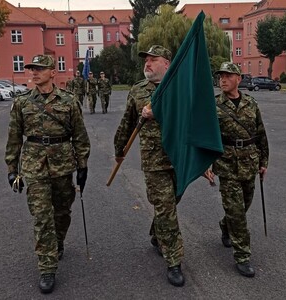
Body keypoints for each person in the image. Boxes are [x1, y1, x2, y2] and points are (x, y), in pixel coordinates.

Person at [5, 54, 91, 294]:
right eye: (32, 69)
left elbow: (80, 136)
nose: (34, 72)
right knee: (42, 217)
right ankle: (47, 268)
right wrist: (12, 169)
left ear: (53, 72)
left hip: (63, 165)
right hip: (34, 166)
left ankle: (58, 241)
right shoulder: (22, 103)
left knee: (62, 212)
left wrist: (82, 166)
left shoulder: (69, 101)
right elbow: (13, 138)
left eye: (40, 69)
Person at [113, 45, 185, 287]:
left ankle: (157, 234)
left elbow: (189, 119)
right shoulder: (138, 90)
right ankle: (174, 261)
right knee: (166, 208)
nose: (148, 64)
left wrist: (160, 113)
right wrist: (119, 149)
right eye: (146, 60)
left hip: (179, 158)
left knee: (171, 203)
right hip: (154, 161)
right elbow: (127, 122)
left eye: (153, 60)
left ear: (167, 63)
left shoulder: (180, 87)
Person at [205, 62, 269, 278]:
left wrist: (264, 162)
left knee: (245, 205)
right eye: (220, 76)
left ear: (238, 79)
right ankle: (242, 256)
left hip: (249, 162)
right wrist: (206, 164)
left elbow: (260, 134)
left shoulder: (251, 103)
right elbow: (205, 137)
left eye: (227, 76)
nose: (222, 80)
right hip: (227, 165)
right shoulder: (213, 105)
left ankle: (226, 225)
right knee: (237, 212)